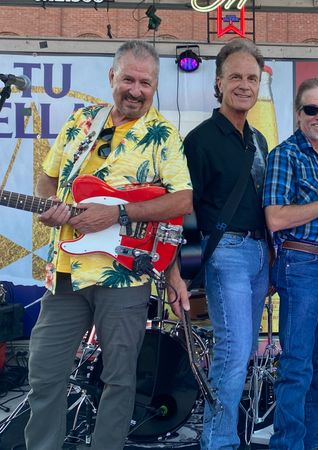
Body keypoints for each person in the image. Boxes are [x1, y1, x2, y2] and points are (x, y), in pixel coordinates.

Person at [25, 40, 193, 450]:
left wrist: (117, 214)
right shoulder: (81, 121)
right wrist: (49, 206)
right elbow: (48, 178)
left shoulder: (164, 135)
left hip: (124, 274)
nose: (136, 90)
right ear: (112, 77)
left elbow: (182, 200)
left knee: (119, 379)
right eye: (128, 80)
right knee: (45, 373)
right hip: (65, 271)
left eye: (145, 83)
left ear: (155, 86)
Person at [167, 38, 270, 450]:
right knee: (234, 349)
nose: (244, 85)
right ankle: (218, 442)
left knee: (244, 350)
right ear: (219, 82)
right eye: (236, 77)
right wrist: (181, 268)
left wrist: (271, 257)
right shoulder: (200, 140)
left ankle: (223, 436)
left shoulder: (259, 140)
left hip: (259, 254)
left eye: (252, 78)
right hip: (225, 252)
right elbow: (185, 210)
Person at [263, 77, 318, 450]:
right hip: (302, 264)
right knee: (297, 365)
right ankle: (288, 444)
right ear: (298, 113)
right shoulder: (285, 154)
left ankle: (309, 441)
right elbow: (275, 218)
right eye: (312, 109)